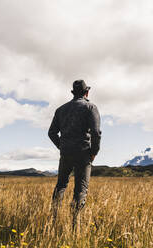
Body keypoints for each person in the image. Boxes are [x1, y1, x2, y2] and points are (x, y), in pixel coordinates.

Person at [48, 79, 101, 230]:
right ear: (87, 92)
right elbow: (96, 133)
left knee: (61, 185)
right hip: (83, 153)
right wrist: (93, 152)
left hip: (66, 153)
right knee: (80, 189)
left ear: (73, 93)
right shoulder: (90, 107)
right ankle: (74, 226)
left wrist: (62, 146)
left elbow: (51, 133)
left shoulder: (61, 110)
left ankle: (54, 220)